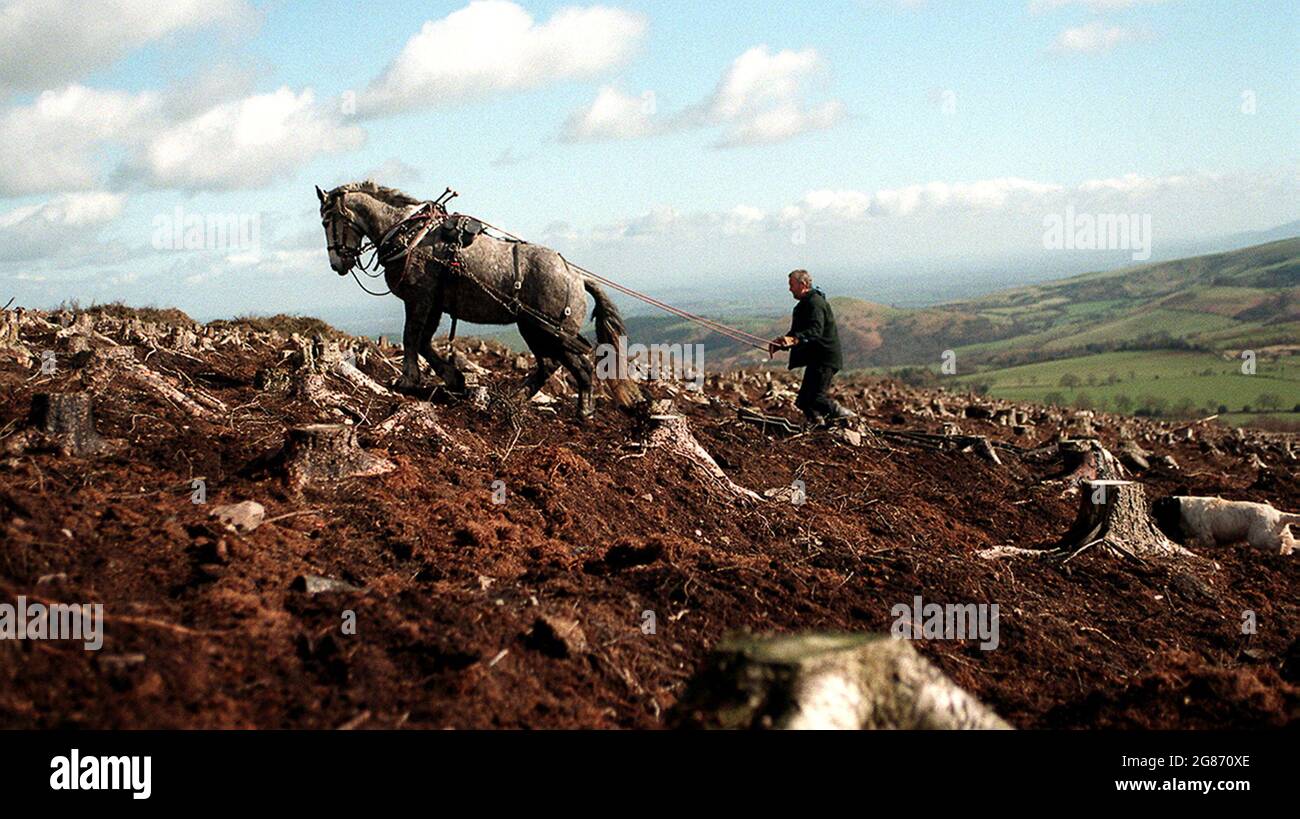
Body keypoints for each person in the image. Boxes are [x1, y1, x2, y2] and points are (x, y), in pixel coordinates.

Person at [769, 269, 855, 425]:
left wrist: (794, 340)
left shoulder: (815, 303)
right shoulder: (807, 303)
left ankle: (847, 416)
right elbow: (799, 332)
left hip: (824, 358)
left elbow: (815, 331)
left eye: (792, 285)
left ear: (802, 284)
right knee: (803, 401)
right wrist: (782, 343)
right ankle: (818, 425)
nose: (790, 289)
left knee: (816, 398)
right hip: (817, 358)